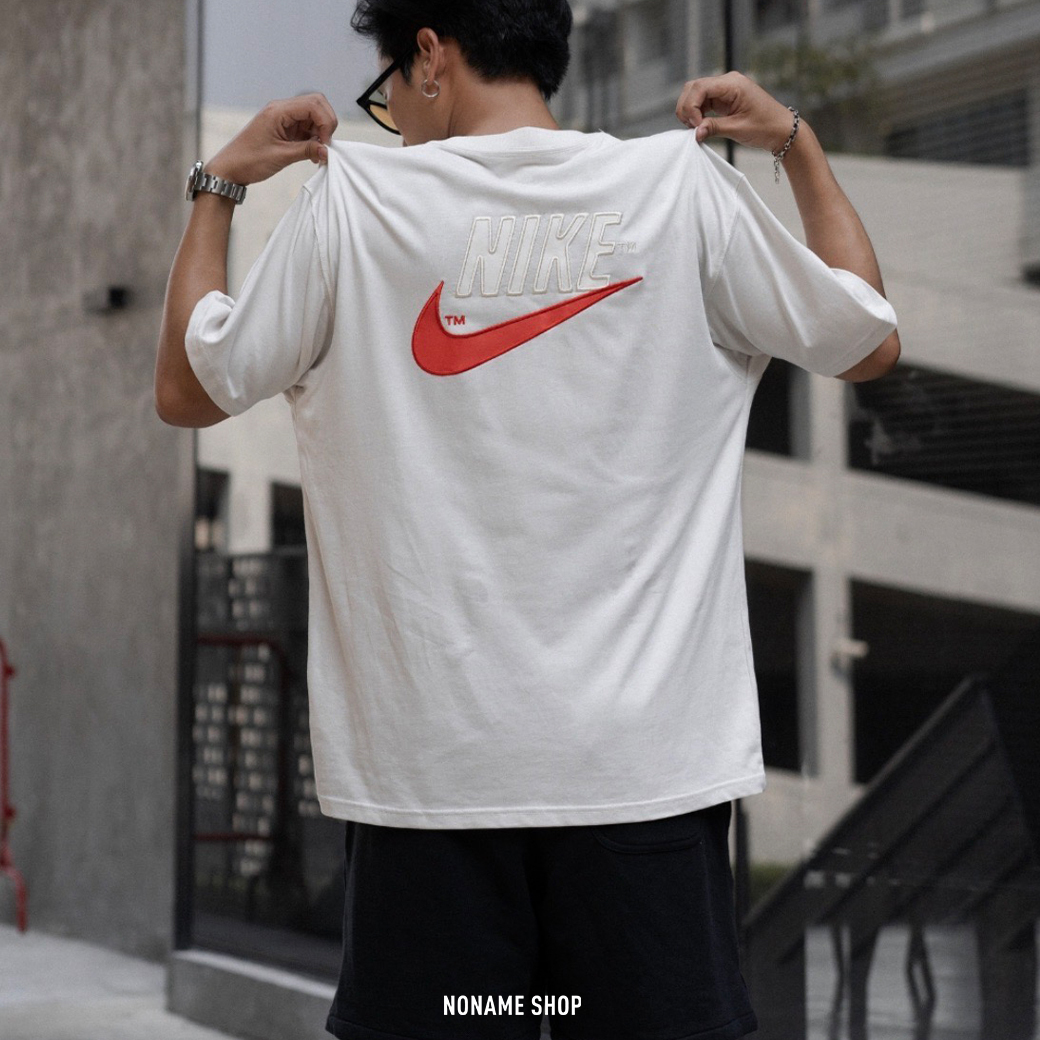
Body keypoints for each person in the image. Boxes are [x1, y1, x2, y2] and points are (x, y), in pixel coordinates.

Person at [155, 2, 900, 1038]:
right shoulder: (678, 189)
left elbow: (189, 388)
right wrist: (794, 144)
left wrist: (221, 184)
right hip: (645, 781)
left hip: (433, 788)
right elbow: (865, 338)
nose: (391, 120)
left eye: (387, 89)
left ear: (430, 54)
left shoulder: (356, 209)